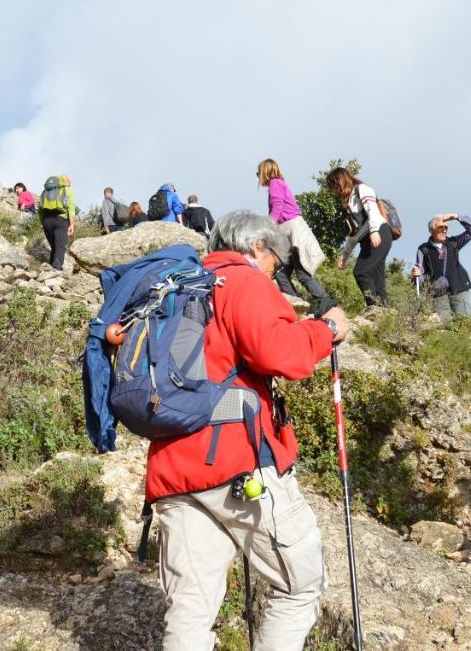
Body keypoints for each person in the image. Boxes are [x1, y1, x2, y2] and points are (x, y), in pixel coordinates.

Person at [149, 211, 349, 650]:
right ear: (257, 246)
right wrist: (327, 328)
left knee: (190, 611)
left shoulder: (179, 285)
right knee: (299, 587)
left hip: (173, 468)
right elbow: (280, 353)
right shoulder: (242, 280)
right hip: (238, 460)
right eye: (276, 261)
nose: (275, 272)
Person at [257, 158, 333, 314]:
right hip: (289, 232)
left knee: (301, 273)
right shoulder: (279, 183)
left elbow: (278, 207)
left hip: (292, 231)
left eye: (259, 172)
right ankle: (297, 303)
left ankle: (324, 301)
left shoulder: (275, 183)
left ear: (265, 171)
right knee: (282, 273)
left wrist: (268, 228)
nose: (258, 176)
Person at [327, 167, 392, 308]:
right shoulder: (347, 203)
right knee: (376, 276)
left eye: (335, 185)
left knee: (361, 271)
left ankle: (374, 308)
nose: (334, 190)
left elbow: (373, 211)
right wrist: (345, 254)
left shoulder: (362, 189)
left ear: (341, 181)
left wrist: (374, 231)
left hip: (379, 233)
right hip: (367, 241)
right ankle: (385, 312)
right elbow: (354, 234)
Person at [411, 213, 471, 318]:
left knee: (464, 322)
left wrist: (456, 217)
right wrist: (416, 275)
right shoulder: (423, 249)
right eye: (441, 227)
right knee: (444, 327)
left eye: (446, 228)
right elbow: (421, 273)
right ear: (431, 230)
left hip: (459, 288)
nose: (444, 230)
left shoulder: (453, 243)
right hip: (438, 294)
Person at [38, 175, 76, 271]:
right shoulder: (68, 190)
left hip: (46, 220)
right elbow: (71, 208)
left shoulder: (46, 191)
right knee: (59, 245)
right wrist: (72, 224)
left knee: (54, 246)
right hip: (61, 219)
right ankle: (57, 268)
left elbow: (40, 208)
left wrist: (42, 222)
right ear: (66, 182)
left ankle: (50, 266)